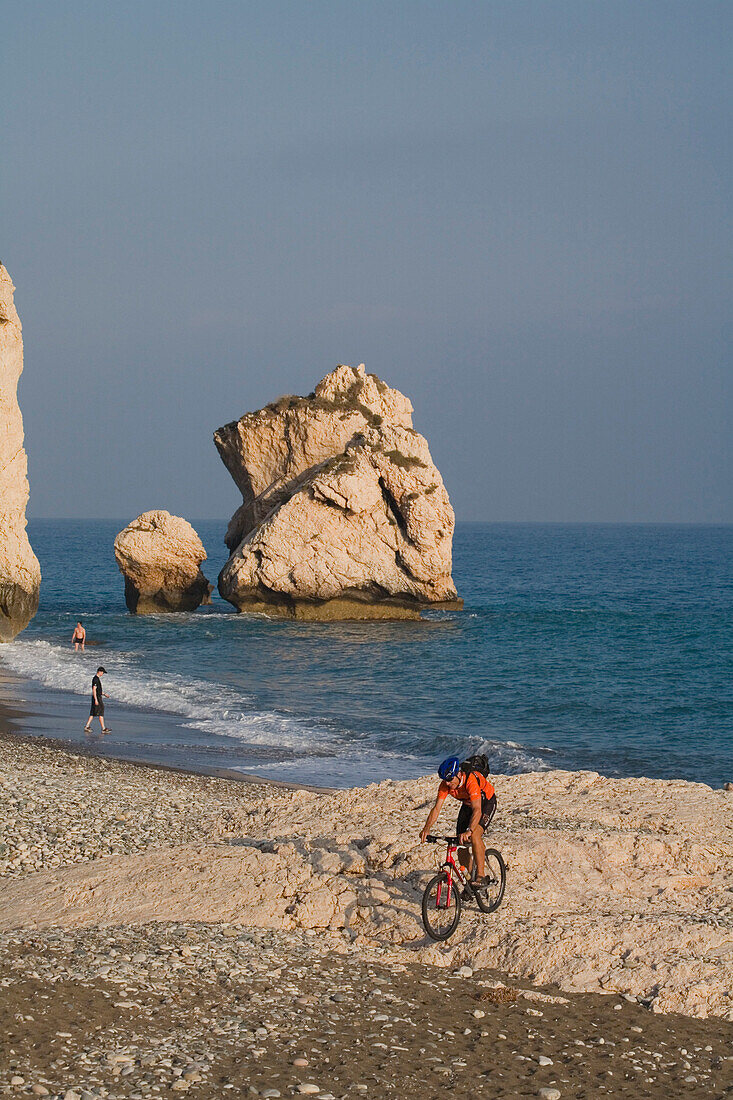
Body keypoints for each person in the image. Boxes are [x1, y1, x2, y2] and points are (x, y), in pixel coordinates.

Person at [420, 756, 496, 888]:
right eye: (445, 780)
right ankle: (471, 881)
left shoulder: (471, 781)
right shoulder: (445, 785)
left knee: (474, 835)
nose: (447, 783)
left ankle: (481, 876)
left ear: (459, 774)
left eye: (450, 779)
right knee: (460, 845)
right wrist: (426, 828)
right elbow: (436, 808)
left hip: (486, 803)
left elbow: (477, 810)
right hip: (468, 805)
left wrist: (469, 830)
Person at [83, 667, 110, 733]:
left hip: (97, 697)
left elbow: (98, 690)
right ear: (99, 671)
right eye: (103, 672)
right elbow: (94, 690)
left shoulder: (96, 679)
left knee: (93, 713)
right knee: (100, 712)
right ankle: (103, 728)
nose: (103, 674)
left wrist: (104, 694)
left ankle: (87, 726)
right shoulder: (95, 679)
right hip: (97, 697)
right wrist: (96, 699)